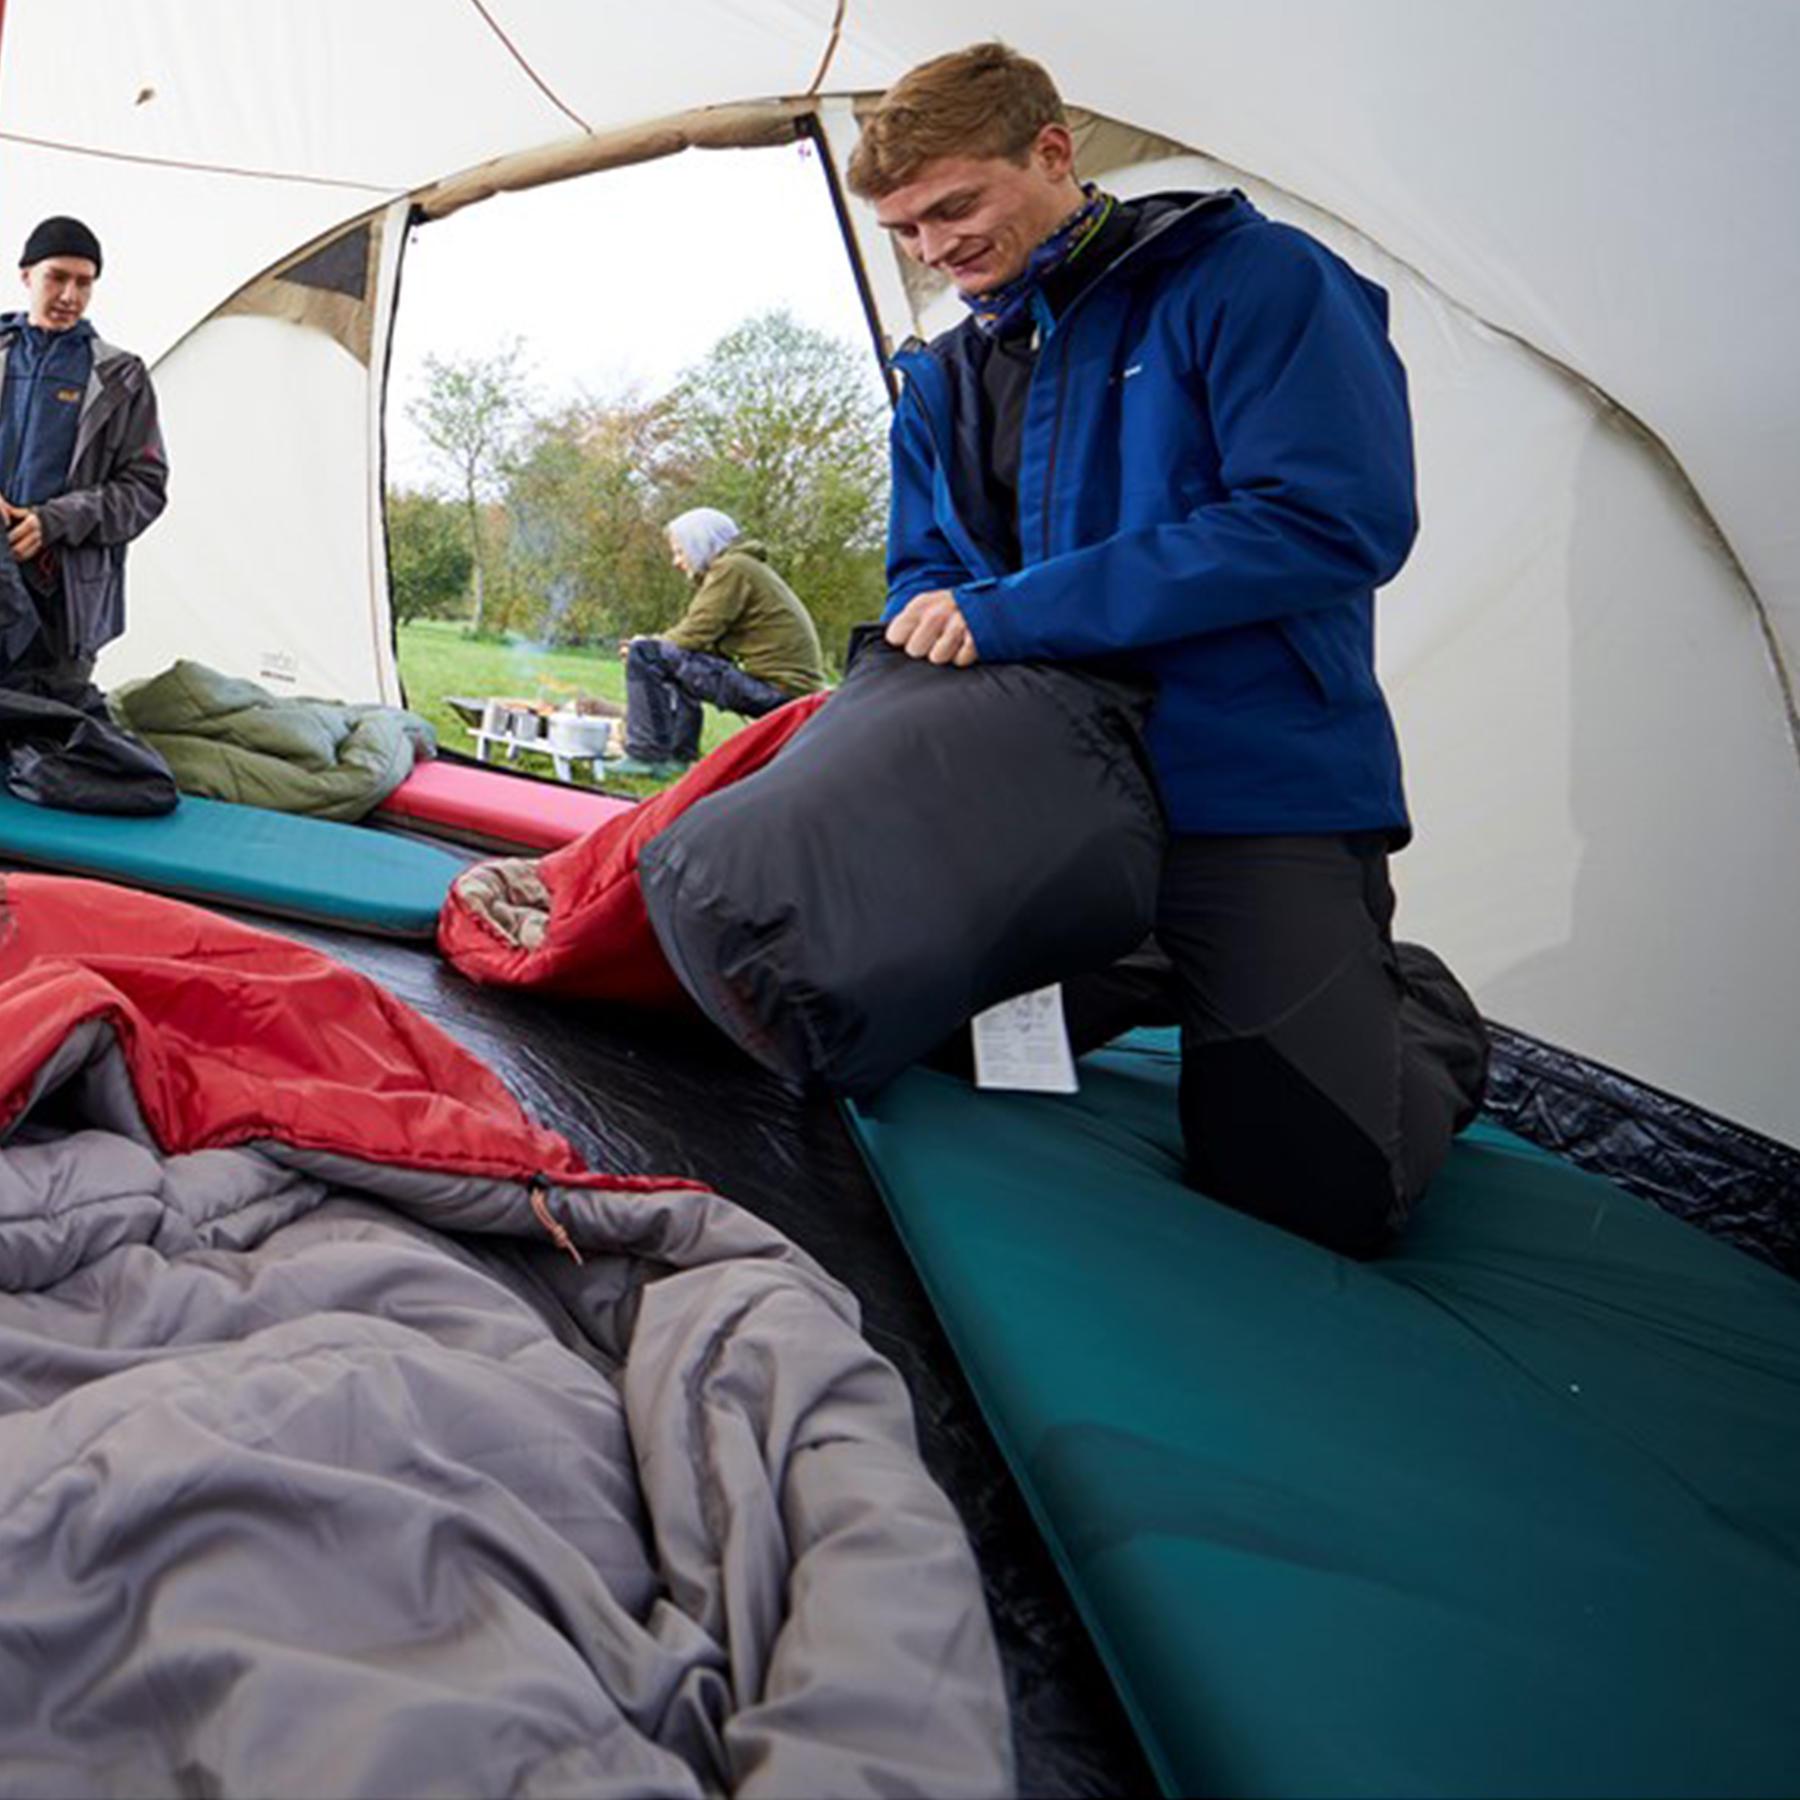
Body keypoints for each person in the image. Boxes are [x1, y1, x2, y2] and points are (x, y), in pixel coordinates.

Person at [847, 43, 1488, 1258]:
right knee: (913, 1033)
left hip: (1251, 794)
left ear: (1052, 153)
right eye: (906, 230)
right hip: (1054, 808)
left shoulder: (1256, 281)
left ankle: (1422, 1008)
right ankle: (1142, 963)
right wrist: (935, 625)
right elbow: (924, 570)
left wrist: (1019, 611)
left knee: (1317, 1195)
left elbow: (1328, 517)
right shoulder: (939, 379)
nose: (935, 251)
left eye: (956, 208)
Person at [0, 216, 167, 711]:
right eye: (58, 277)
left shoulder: (121, 377)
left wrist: (54, 522)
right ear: (27, 274)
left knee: (49, 750)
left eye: (84, 282)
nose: (70, 295)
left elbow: (146, 488)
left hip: (66, 602)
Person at [614, 507, 828, 778]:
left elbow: (695, 633)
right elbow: (699, 644)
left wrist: (644, 644)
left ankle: (645, 755)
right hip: (791, 692)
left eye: (680, 551)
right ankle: (676, 757)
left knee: (646, 653)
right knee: (667, 656)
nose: (676, 561)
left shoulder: (732, 568)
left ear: (700, 544)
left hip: (777, 693)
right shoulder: (744, 567)